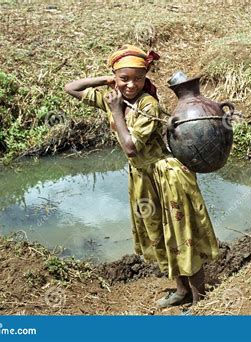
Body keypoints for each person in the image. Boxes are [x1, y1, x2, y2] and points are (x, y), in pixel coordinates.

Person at [64, 45, 219, 308]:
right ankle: (181, 291)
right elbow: (71, 87)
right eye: (124, 78)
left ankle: (199, 299)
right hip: (143, 177)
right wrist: (106, 80)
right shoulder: (114, 97)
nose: (131, 85)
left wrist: (115, 111)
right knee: (158, 234)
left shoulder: (148, 104)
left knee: (182, 235)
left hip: (167, 176)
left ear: (146, 78)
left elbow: (131, 146)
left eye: (139, 78)